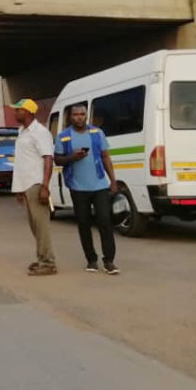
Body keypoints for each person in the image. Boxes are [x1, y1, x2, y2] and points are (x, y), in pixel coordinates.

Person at [54, 105, 120, 274]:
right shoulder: (63, 137)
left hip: (99, 185)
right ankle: (91, 260)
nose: (79, 117)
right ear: (70, 117)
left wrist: (112, 180)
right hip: (77, 187)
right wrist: (72, 157)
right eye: (76, 115)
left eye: (82, 114)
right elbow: (58, 160)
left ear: (86, 116)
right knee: (84, 224)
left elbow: (105, 157)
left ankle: (109, 261)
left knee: (105, 221)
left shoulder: (97, 133)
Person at [10, 98, 57, 276]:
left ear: (29, 112)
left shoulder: (40, 132)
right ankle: (42, 258)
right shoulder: (22, 132)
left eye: (18, 110)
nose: (15, 113)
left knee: (41, 225)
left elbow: (48, 158)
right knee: (34, 226)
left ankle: (48, 263)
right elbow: (24, 162)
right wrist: (20, 189)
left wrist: (45, 186)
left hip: (37, 184)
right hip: (27, 185)